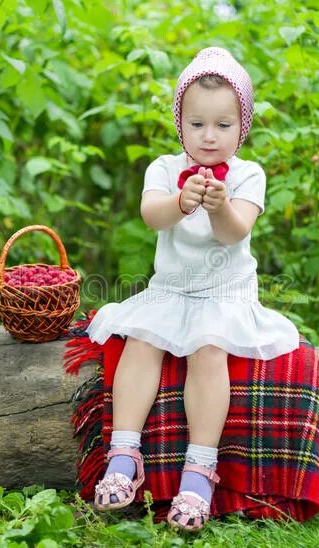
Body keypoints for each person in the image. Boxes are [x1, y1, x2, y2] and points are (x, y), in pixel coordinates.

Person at [86, 46, 300, 531]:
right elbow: (150, 215)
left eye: (223, 125)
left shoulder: (248, 175)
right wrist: (182, 203)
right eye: (197, 124)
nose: (209, 136)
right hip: (171, 291)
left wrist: (220, 206)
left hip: (225, 296)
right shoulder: (163, 169)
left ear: (241, 127)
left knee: (208, 350)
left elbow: (235, 231)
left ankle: (200, 469)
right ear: (179, 123)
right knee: (142, 340)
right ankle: (124, 454)